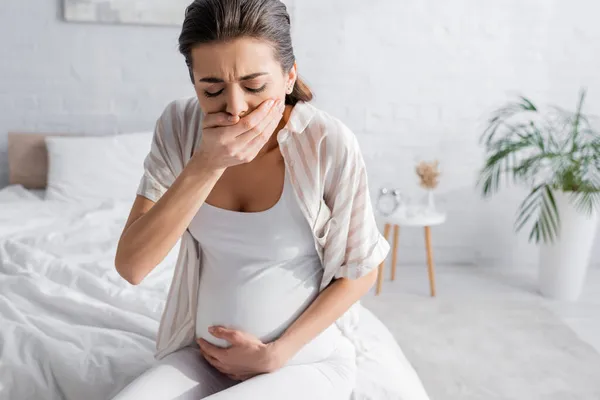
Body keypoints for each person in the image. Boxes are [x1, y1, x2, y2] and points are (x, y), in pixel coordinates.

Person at [112, 0, 389, 398]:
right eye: (212, 90)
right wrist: (207, 164)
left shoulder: (328, 143)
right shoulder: (179, 128)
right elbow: (132, 266)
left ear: (289, 76)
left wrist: (276, 353)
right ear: (194, 84)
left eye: (255, 86)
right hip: (204, 359)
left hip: (303, 361)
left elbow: (361, 269)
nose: (236, 108)